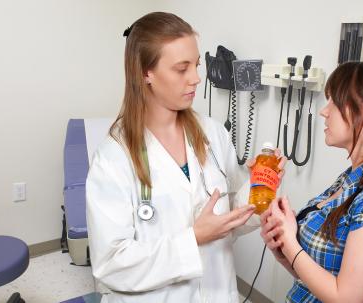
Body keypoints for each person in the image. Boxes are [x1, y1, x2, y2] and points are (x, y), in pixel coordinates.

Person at [86, 12, 260, 303]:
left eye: (196, 65)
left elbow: (230, 217)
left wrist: (259, 187)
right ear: (145, 73)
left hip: (217, 292)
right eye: (182, 69)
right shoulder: (114, 157)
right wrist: (192, 240)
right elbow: (110, 263)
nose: (196, 78)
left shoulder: (212, 134)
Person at [260, 61, 363, 302]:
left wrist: (291, 244)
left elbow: (346, 298)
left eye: (334, 101)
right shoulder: (354, 178)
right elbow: (321, 276)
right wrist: (282, 248)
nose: (324, 111)